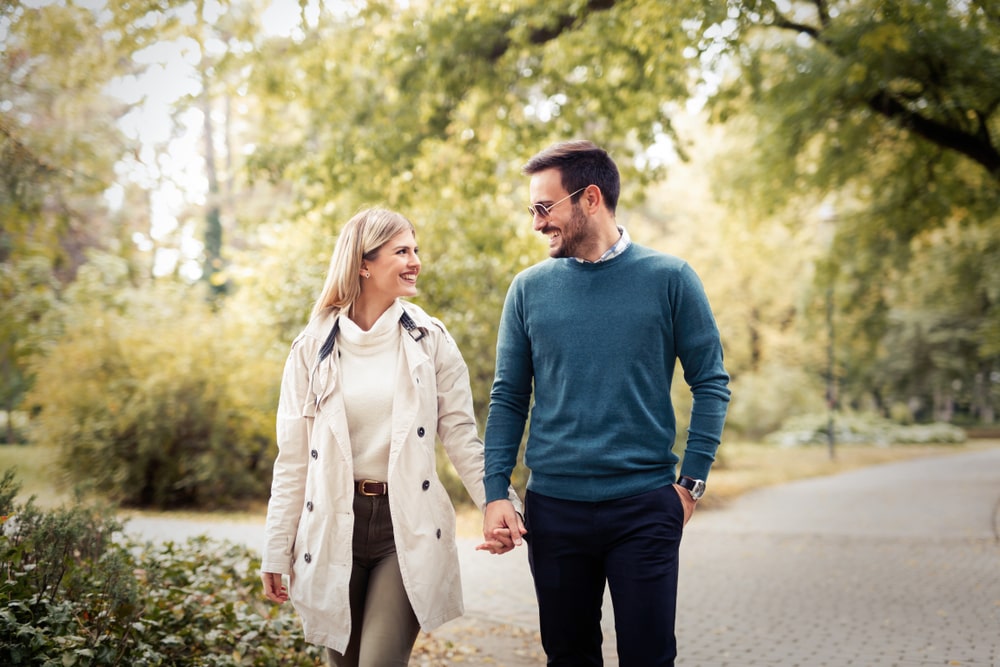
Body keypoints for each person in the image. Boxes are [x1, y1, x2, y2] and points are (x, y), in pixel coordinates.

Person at [478, 140, 731, 666]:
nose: (536, 224)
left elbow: (710, 382)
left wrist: (691, 484)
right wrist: (495, 490)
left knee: (648, 657)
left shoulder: (670, 279)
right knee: (568, 658)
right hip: (553, 511)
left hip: (644, 507)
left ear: (590, 198)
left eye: (544, 208)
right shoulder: (528, 290)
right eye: (532, 210)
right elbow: (508, 397)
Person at [261, 208, 521, 666]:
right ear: (364, 263)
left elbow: (460, 434)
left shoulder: (431, 339)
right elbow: (293, 459)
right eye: (402, 251)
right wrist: (275, 549)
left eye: (415, 250)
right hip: (331, 526)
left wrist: (499, 505)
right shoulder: (310, 348)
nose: (415, 260)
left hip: (404, 528)